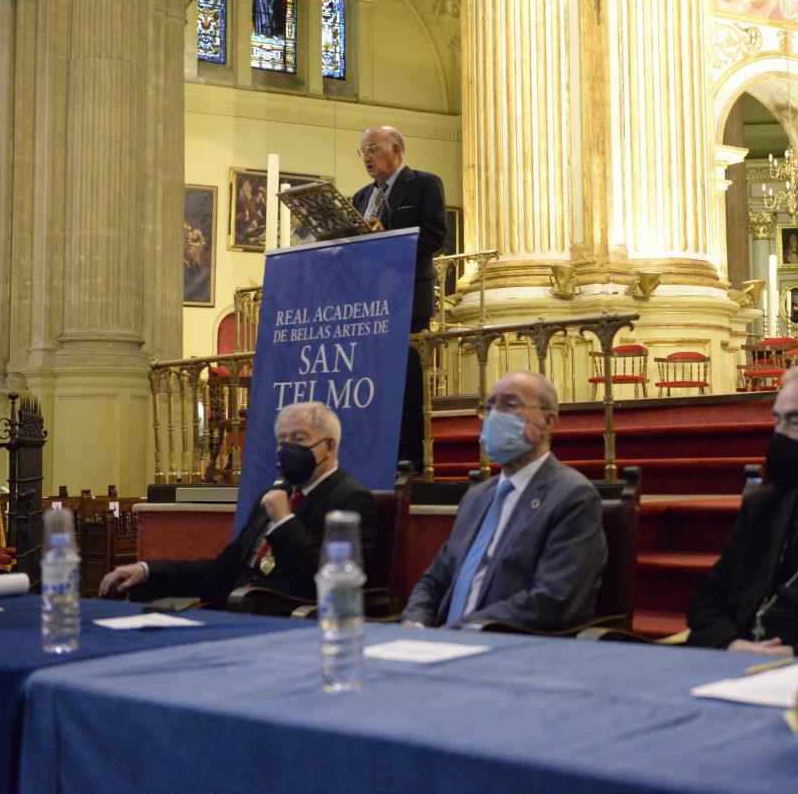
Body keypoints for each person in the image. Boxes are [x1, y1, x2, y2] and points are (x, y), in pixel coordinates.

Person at [99, 401, 376, 605]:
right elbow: (222, 570)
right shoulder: (273, 495)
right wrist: (147, 570)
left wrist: (284, 521)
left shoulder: (350, 498)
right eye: (282, 441)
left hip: (287, 623)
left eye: (299, 439)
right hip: (234, 611)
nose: (287, 449)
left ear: (329, 446)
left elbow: (329, 582)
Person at [686, 364, 798, 656]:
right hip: (737, 664)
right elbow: (706, 602)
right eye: (777, 421)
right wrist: (733, 644)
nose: (780, 435)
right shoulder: (764, 506)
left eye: (795, 421)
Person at [401, 370, 606, 631]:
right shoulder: (477, 497)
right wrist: (415, 621)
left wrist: (461, 630)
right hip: (442, 643)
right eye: (488, 407)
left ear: (549, 421)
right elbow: (434, 580)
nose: (495, 416)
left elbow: (554, 599)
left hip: (508, 647)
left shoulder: (572, 496)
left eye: (509, 405)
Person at [349, 125, 447, 467]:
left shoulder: (424, 184)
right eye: (363, 151)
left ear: (397, 150)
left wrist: (388, 237)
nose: (367, 158)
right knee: (371, 382)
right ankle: (372, 455)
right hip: (368, 304)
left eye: (373, 149)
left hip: (407, 298)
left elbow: (435, 237)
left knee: (406, 383)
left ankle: (410, 460)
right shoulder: (361, 198)